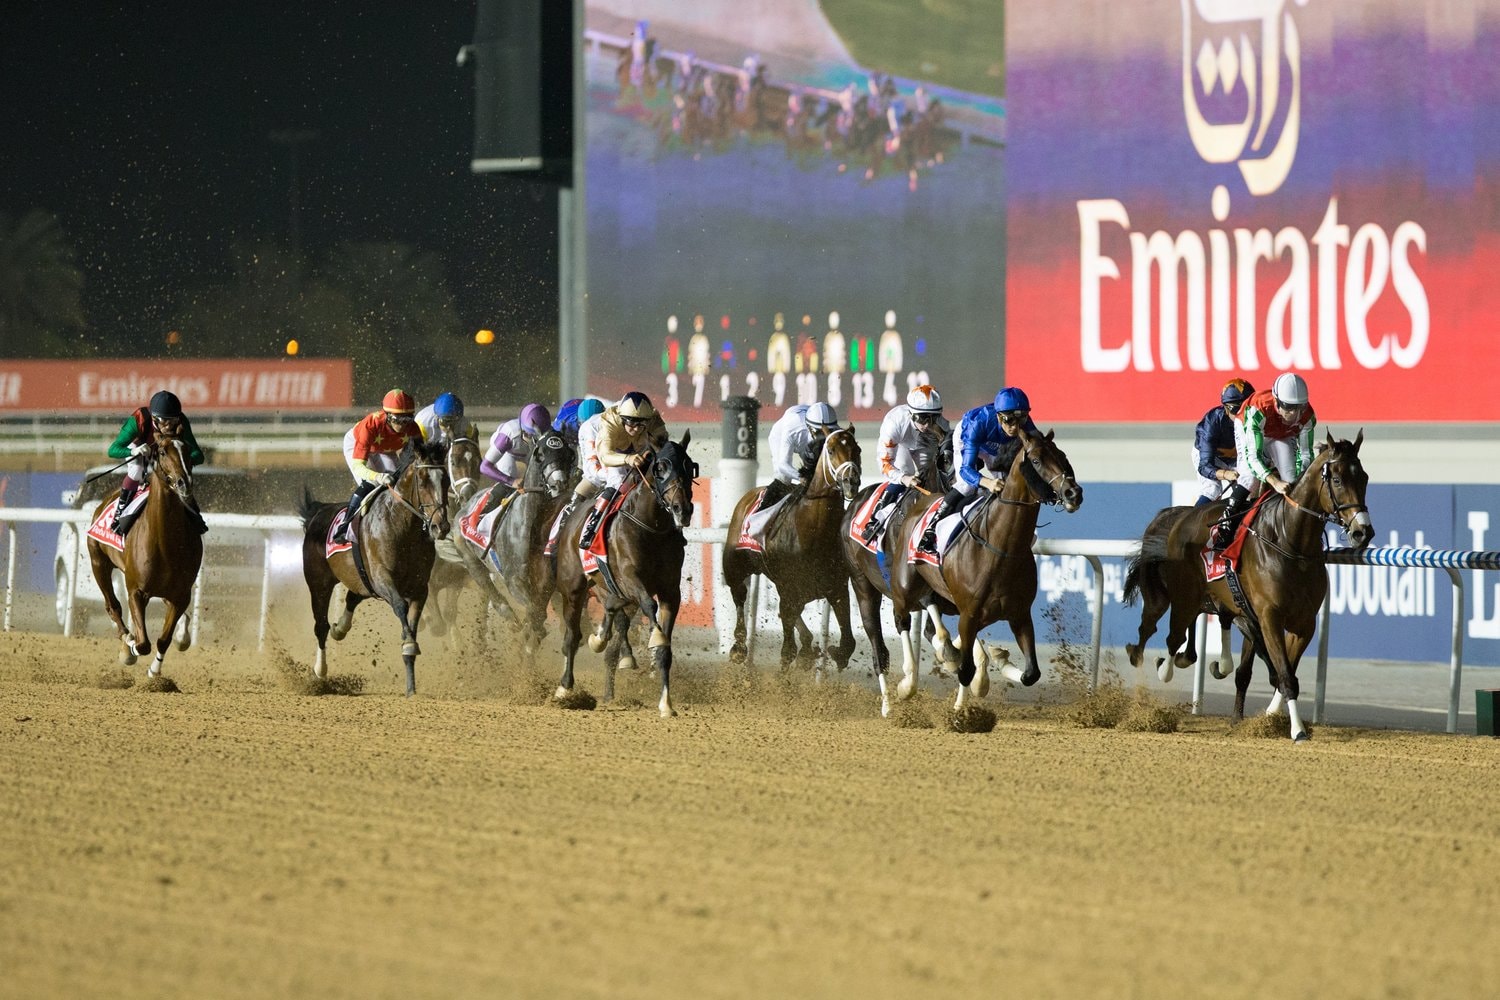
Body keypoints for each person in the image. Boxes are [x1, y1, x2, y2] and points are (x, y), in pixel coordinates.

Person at [915, 387, 1039, 556]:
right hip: (968, 438)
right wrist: (987, 482)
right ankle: (930, 529)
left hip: (994, 445)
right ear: (998, 416)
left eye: (1021, 419)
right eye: (1009, 420)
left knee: (1008, 485)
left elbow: (1040, 447)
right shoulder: (978, 424)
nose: (1015, 427)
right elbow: (966, 470)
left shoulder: (1021, 420)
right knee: (967, 486)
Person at [1211, 372, 1317, 550]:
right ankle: (1226, 522)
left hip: (1281, 434)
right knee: (1249, 477)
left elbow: (1306, 455)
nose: (1295, 415)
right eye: (1289, 408)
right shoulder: (1258, 408)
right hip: (1250, 427)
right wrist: (1274, 481)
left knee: (1291, 479)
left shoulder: (1308, 417)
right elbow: (1253, 457)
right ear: (1276, 401)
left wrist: (1298, 481)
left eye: (1300, 408)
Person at [569, 391, 669, 550]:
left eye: (640, 424)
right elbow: (606, 456)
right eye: (630, 423)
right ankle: (592, 526)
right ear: (622, 418)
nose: (636, 429)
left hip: (628, 447)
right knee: (615, 478)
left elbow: (664, 446)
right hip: (601, 442)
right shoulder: (610, 423)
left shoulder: (653, 419)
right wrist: (628, 459)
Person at [105, 389, 206, 533]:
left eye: (173, 420)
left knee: (180, 475)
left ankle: (195, 515)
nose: (170, 426)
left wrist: (182, 462)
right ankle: (119, 514)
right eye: (165, 421)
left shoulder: (181, 421)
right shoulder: (138, 419)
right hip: (140, 447)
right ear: (154, 418)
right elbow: (113, 450)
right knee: (136, 471)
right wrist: (133, 451)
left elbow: (198, 454)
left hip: (167, 452)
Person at [333, 389, 424, 543]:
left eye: (407, 419)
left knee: (398, 483)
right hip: (356, 445)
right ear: (387, 415)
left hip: (383, 449)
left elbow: (420, 456)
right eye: (397, 419)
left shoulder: (412, 427)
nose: (402, 425)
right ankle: (345, 526)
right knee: (373, 483)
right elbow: (358, 466)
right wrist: (378, 476)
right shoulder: (371, 425)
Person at [863, 385, 949, 541]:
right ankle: (875, 518)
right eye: (922, 418)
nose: (928, 424)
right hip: (902, 443)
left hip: (925, 442)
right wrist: (904, 478)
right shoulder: (894, 423)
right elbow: (884, 463)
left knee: (933, 473)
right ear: (911, 414)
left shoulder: (941, 425)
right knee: (905, 471)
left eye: (933, 418)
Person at [763, 401, 840, 508]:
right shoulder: (793, 428)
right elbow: (783, 465)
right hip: (781, 435)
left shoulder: (833, 429)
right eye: (820, 433)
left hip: (805, 433)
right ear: (810, 429)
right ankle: (761, 511)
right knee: (783, 478)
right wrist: (800, 477)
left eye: (828, 431)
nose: (825, 436)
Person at [1193, 378, 1254, 506]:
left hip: (1237, 458)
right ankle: (1193, 520)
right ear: (1226, 408)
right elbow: (1204, 466)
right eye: (1236, 411)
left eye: (1247, 410)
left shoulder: (1257, 419)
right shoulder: (1211, 423)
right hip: (1212, 458)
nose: (1242, 416)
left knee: (1250, 488)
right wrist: (1225, 474)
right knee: (1212, 490)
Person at [480, 403, 552, 487]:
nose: (533, 441)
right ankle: (493, 498)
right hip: (508, 452)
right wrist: (511, 481)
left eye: (538, 436)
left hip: (529, 453)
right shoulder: (508, 434)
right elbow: (484, 467)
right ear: (522, 428)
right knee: (509, 479)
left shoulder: (550, 432)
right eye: (529, 435)